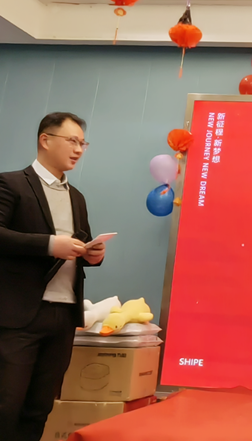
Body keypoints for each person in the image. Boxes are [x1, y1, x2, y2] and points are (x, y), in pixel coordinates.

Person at [0, 113, 106, 441]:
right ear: (45, 140)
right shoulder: (11, 184)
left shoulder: (77, 197)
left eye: (83, 143)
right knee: (6, 405)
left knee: (40, 407)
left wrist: (93, 255)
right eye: (72, 141)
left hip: (63, 315)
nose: (78, 150)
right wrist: (49, 244)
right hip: (18, 315)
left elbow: (78, 244)